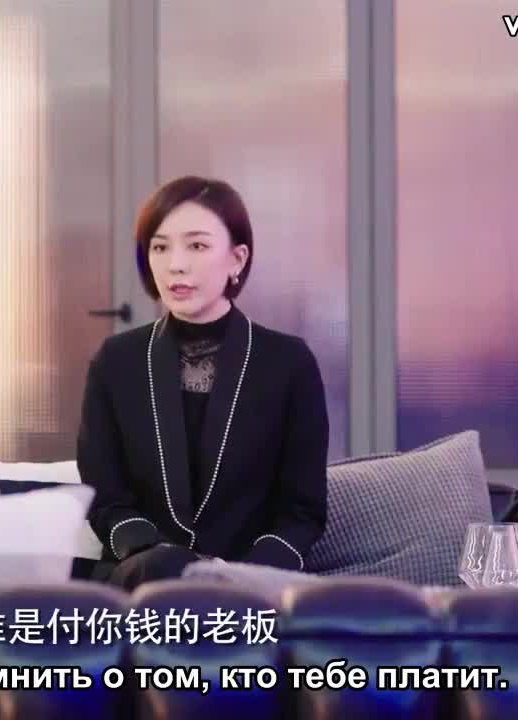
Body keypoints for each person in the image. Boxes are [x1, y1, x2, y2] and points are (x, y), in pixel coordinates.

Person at [77, 175, 329, 590]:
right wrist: (157, 555)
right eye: (160, 247)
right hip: (145, 575)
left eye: (196, 246)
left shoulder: (288, 363)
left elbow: (302, 512)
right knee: (163, 570)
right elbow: (105, 496)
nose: (176, 264)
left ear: (237, 259)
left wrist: (243, 574)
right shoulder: (116, 361)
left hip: (250, 580)